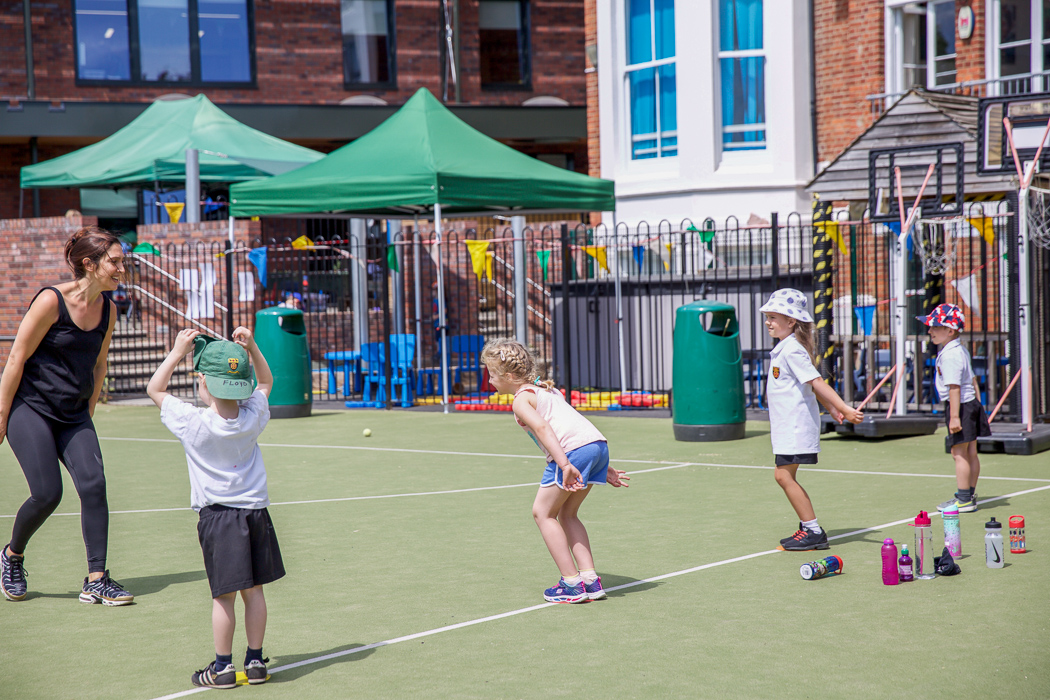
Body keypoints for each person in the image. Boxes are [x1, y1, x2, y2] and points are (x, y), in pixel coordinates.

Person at [0, 226, 134, 605]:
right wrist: (2, 412)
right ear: (89, 265)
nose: (121, 269)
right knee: (47, 493)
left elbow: (99, 363)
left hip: (74, 413)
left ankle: (97, 579)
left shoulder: (109, 309)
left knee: (94, 485)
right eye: (115, 262)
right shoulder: (50, 301)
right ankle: (11, 555)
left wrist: (87, 411)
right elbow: (16, 358)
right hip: (31, 407)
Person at [147, 327, 284, 689]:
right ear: (242, 383)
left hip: (219, 518)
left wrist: (177, 353)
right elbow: (267, 381)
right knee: (254, 592)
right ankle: (254, 662)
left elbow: (155, 389)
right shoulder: (254, 412)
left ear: (203, 382)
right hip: (256, 513)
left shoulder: (194, 423)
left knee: (223, 597)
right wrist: (252, 346)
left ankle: (223, 668)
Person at [480, 339, 629, 604]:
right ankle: (590, 580)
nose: (490, 380)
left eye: (492, 375)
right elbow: (575, 426)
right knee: (568, 514)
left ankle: (571, 584)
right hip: (596, 446)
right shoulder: (547, 390)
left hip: (571, 453)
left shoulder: (522, 400)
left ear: (510, 376)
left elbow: (543, 429)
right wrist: (601, 465)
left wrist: (564, 464)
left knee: (542, 513)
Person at [760, 289, 863, 551]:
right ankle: (809, 528)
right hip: (788, 427)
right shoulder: (786, 348)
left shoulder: (792, 350)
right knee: (783, 476)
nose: (768, 322)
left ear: (791, 321)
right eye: (767, 317)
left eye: (773, 317)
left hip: (795, 428)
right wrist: (831, 408)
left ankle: (813, 530)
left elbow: (816, 381)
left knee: (783, 476)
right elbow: (810, 387)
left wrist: (843, 407)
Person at [917, 303, 989, 513]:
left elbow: (954, 388)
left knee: (959, 454)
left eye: (934, 327)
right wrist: (977, 407)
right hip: (971, 405)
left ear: (950, 331)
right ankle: (968, 494)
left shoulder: (949, 355)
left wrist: (955, 417)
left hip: (961, 407)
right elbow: (974, 381)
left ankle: (964, 499)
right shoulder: (960, 350)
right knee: (971, 452)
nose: (929, 331)